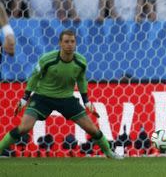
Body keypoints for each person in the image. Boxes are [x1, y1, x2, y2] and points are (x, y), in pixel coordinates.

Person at [0, 30, 121, 159]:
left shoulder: (81, 62)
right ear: (60, 43)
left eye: (72, 41)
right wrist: (25, 98)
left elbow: (81, 80)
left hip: (66, 99)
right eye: (66, 41)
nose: (69, 44)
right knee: (24, 128)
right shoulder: (47, 59)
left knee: (91, 128)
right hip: (42, 97)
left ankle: (109, 152)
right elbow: (34, 77)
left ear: (75, 43)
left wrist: (86, 101)